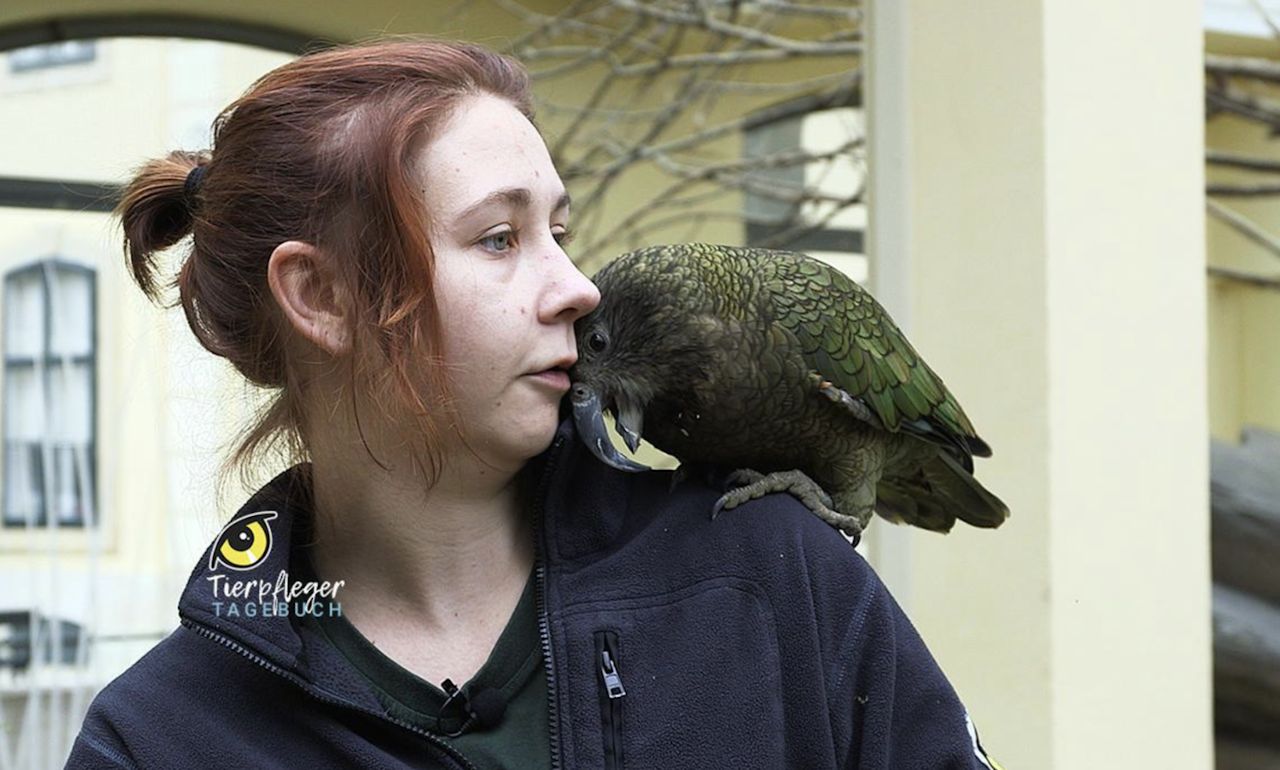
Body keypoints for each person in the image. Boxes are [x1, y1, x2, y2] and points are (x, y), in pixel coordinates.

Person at [65, 36, 1002, 770]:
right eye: (501, 238)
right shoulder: (162, 739)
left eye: (562, 231)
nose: (578, 288)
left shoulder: (769, 574)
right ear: (320, 296)